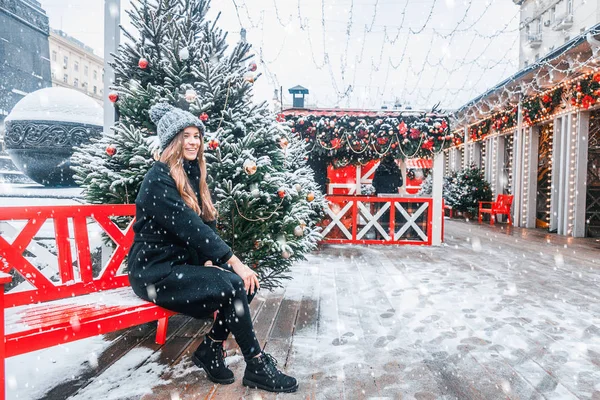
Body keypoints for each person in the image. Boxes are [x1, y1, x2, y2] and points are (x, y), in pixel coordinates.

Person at [127, 102, 298, 393]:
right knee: (236, 280)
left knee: (246, 284)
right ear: (172, 141)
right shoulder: (158, 180)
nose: (193, 141)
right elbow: (189, 227)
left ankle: (211, 347)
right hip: (155, 272)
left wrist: (210, 261)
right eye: (186, 135)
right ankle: (255, 363)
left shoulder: (193, 174)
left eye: (197, 135)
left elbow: (207, 224)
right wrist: (233, 261)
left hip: (180, 267)